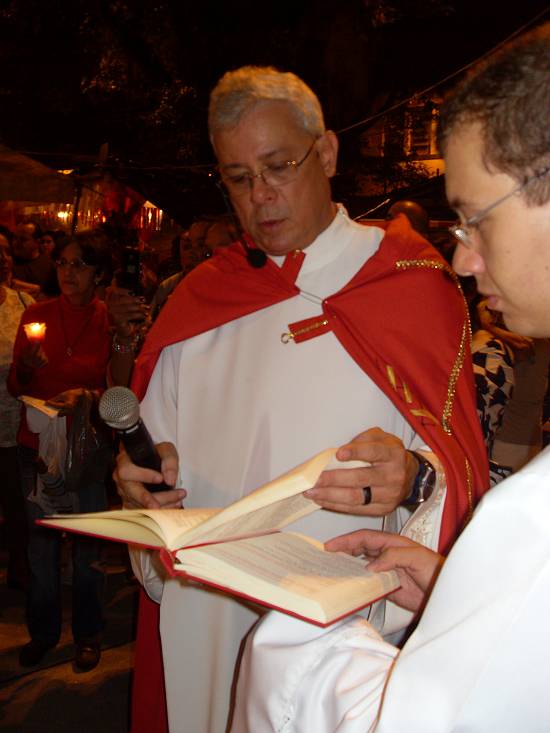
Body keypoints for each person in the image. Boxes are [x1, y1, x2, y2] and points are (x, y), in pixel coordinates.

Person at [115, 66, 488, 733]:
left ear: (328, 153)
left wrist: (414, 478)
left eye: (278, 166)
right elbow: (152, 481)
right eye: (237, 178)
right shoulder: (200, 301)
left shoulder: (411, 286)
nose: (260, 196)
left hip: (339, 638)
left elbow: (457, 472)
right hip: (206, 617)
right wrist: (143, 492)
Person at [231, 23, 550, 732]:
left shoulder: (532, 520)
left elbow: (435, 717)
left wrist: (298, 642)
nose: (463, 260)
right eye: (237, 176)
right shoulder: (203, 297)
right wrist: (453, 592)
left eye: (474, 219)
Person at [7, 230, 136, 671]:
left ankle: (88, 634)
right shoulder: (36, 315)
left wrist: (90, 392)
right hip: (37, 447)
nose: (68, 272)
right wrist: (27, 369)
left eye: (79, 264)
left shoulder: (107, 320)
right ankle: (43, 633)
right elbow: (16, 386)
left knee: (87, 549)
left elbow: (121, 386)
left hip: (86, 449)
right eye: (63, 263)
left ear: (98, 273)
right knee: (41, 549)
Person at [0, 234, 34, 590]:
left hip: (14, 424)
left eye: (6, 251)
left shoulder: (23, 303)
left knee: (16, 503)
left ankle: (20, 569)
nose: (3, 258)